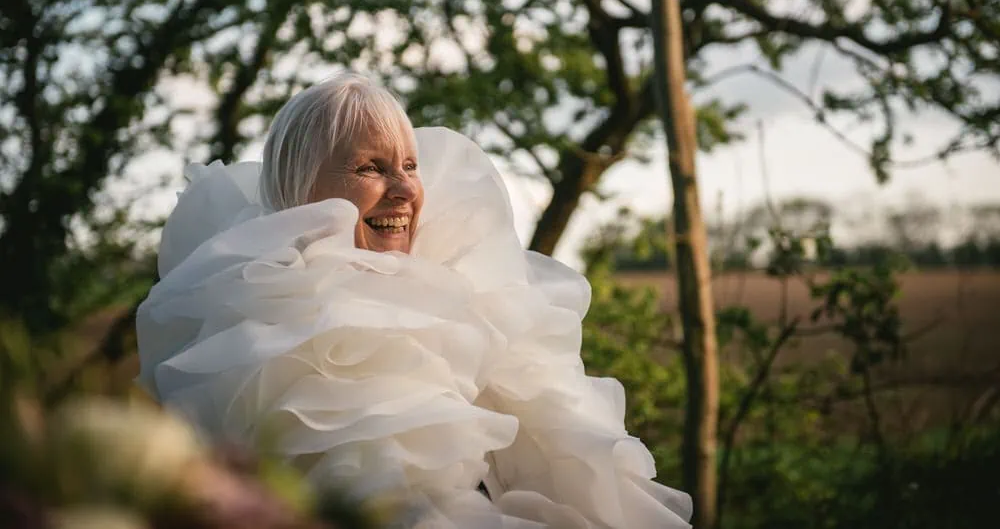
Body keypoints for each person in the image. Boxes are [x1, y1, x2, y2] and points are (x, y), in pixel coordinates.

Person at [136, 72, 693, 529]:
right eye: (370, 168)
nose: (404, 190)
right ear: (301, 188)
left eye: (408, 165)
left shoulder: (470, 296)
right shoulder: (262, 332)